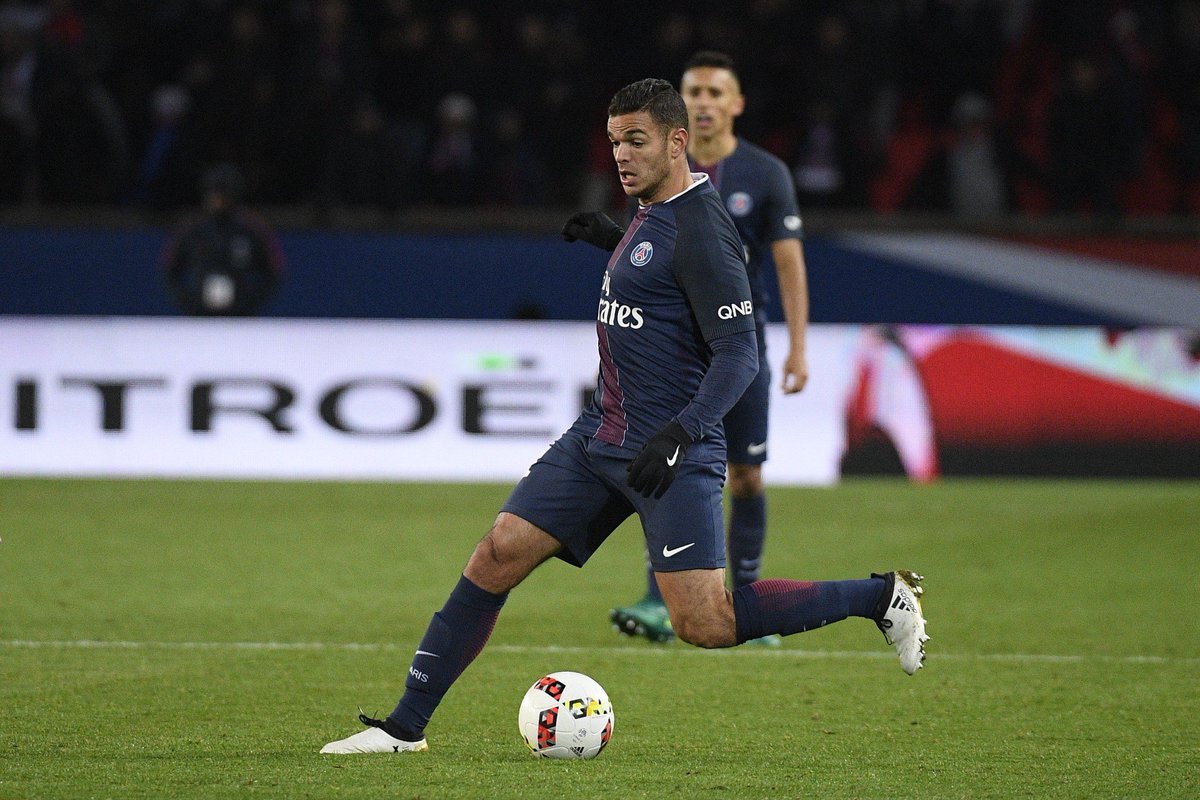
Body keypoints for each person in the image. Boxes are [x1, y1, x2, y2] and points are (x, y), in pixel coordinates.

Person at [321, 78, 927, 756]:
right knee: (497, 553)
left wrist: (681, 434)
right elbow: (663, 285)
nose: (621, 155)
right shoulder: (651, 207)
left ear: (676, 142)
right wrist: (611, 239)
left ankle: (880, 597)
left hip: (669, 453)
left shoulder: (704, 230)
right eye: (614, 142)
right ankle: (403, 729)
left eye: (636, 140)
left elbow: (740, 354)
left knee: (705, 622)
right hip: (599, 435)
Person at [565, 52, 812, 646]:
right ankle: (659, 603)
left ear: (736, 104)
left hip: (737, 344)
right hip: (673, 345)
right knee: (658, 466)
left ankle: (748, 603)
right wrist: (610, 238)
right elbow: (648, 256)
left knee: (746, 475)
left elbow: (788, 264)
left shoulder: (765, 173)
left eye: (714, 92)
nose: (703, 102)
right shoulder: (653, 162)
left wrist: (798, 349)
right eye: (694, 91)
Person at [161, 163, 284, 316]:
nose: (218, 200)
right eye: (214, 193)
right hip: (199, 314)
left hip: (240, 316)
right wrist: (188, 302)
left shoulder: (253, 228)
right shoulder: (191, 229)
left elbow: (274, 272)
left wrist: (250, 303)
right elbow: (169, 271)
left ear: (235, 194)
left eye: (223, 194)